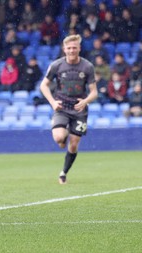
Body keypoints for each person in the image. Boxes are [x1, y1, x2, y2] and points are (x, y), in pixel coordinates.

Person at [39, 34, 97, 185]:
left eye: (74, 48)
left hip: (80, 109)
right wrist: (52, 102)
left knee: (74, 143)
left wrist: (85, 101)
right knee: (59, 138)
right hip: (62, 107)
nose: (72, 50)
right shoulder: (57, 65)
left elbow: (94, 92)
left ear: (79, 48)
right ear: (64, 49)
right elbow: (43, 85)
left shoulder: (87, 66)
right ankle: (63, 136)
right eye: (69, 48)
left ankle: (63, 172)